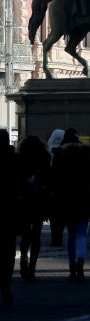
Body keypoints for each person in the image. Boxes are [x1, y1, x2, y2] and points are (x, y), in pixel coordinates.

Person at [51, 128, 90, 282]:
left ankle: (72, 267)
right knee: (81, 233)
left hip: (66, 200)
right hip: (84, 199)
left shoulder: (59, 155)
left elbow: (54, 181)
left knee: (71, 233)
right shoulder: (87, 154)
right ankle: (81, 260)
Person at [18, 135, 52, 282]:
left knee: (25, 232)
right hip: (39, 200)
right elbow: (50, 179)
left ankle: (24, 256)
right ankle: (32, 267)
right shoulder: (44, 158)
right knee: (36, 234)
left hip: (24, 200)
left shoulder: (20, 158)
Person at [1, 129, 25, 304]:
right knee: (8, 250)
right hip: (10, 211)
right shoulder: (14, 160)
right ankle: (6, 284)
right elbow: (21, 184)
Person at [46, 129, 65, 247]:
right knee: (61, 216)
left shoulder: (48, 152)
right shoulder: (64, 152)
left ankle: (55, 237)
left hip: (51, 189)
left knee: (53, 216)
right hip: (62, 188)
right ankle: (59, 237)